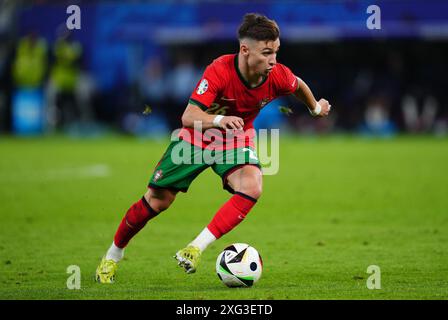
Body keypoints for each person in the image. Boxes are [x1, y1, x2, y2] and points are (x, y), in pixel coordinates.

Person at [95, 13, 331, 283]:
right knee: (158, 201)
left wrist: (314, 108)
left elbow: (297, 84)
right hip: (197, 137)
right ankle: (112, 256)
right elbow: (188, 116)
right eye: (266, 53)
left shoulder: (277, 75)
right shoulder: (219, 70)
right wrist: (218, 120)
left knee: (252, 185)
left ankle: (195, 248)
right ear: (245, 49)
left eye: (276, 52)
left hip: (235, 138)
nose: (273, 60)